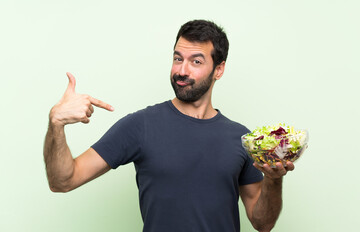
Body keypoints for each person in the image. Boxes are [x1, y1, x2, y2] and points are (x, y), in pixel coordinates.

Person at [44, 20, 294, 232]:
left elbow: (263, 223)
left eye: (196, 61)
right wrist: (56, 125)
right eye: (178, 58)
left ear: (219, 70)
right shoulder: (140, 125)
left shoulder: (241, 138)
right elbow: (63, 181)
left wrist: (273, 180)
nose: (181, 71)